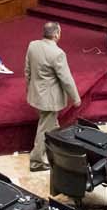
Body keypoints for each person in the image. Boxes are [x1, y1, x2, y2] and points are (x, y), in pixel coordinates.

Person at [24, 21, 79, 170]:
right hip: (49, 99)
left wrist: (29, 89)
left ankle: (55, 151)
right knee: (44, 129)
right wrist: (76, 98)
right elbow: (66, 79)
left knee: (52, 125)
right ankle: (37, 162)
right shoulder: (58, 54)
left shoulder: (32, 45)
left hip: (36, 95)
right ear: (56, 34)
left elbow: (27, 71)